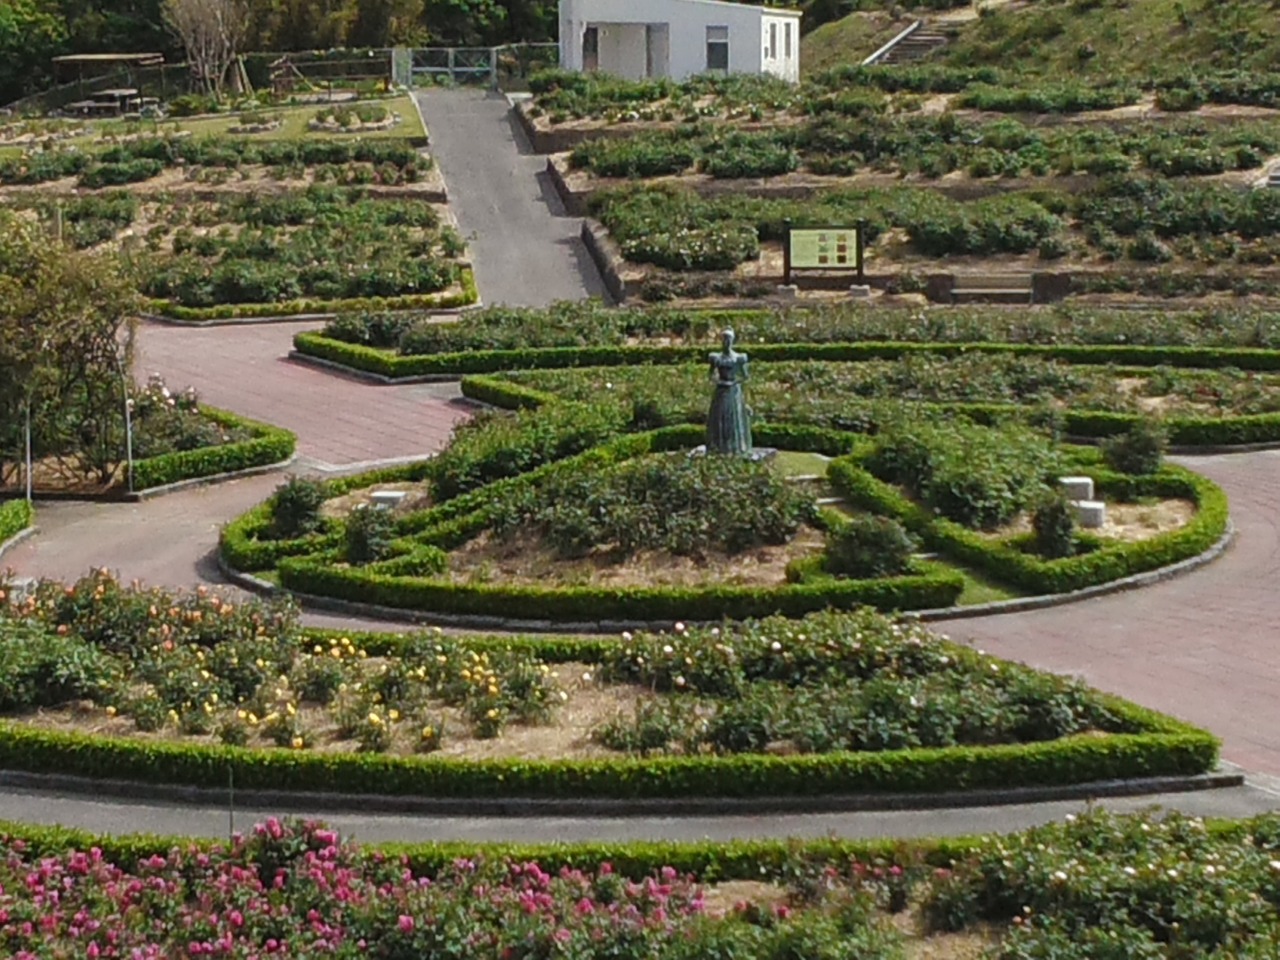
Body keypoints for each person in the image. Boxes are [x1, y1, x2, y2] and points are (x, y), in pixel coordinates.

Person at [707, 328, 752, 456]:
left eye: (729, 339)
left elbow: (745, 376)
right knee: (719, 417)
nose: (727, 342)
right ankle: (719, 447)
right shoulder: (715, 358)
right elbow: (710, 375)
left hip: (733, 390)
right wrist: (718, 381)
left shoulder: (739, 358)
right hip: (721, 390)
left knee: (733, 416)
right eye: (725, 339)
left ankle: (734, 447)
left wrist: (734, 383)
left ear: (732, 341)